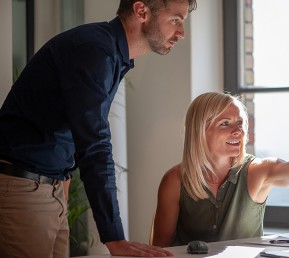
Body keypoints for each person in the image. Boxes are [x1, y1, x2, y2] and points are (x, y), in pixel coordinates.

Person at [0, 0, 197, 257]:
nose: (181, 33)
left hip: (48, 188)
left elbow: (72, 129)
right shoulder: (94, 50)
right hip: (24, 189)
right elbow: (95, 144)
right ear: (141, 11)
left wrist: (62, 180)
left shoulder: (109, 53)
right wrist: (114, 238)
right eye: (175, 20)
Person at [152, 92, 289, 247]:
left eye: (240, 123)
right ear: (200, 130)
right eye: (225, 123)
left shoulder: (257, 171)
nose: (238, 131)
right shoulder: (175, 180)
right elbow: (161, 246)